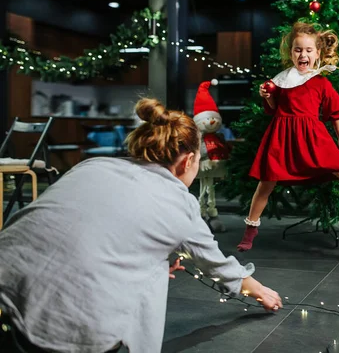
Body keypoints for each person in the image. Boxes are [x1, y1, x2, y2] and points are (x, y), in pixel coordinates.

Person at [0, 98, 282, 352]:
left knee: (154, 266)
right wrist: (261, 293)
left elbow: (73, 224)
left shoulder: (93, 165)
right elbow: (217, 267)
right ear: (188, 161)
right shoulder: (179, 203)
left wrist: (141, 261)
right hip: (63, 327)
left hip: (5, 278)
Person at [237, 22, 339, 252]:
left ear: (318, 53)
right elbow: (272, 109)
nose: (303, 54)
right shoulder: (280, 80)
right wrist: (267, 96)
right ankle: (251, 228)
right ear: (291, 52)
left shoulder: (320, 81)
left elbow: (336, 111)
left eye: (308, 50)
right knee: (266, 182)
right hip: (283, 136)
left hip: (313, 136)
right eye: (298, 50)